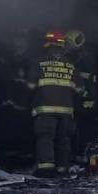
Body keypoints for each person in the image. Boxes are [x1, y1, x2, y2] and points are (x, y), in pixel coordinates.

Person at [28, 31, 79, 178]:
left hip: (45, 109)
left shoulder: (39, 63)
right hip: (66, 110)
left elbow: (31, 86)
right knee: (63, 139)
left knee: (45, 138)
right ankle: (62, 169)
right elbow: (80, 89)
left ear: (47, 45)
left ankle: (46, 169)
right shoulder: (71, 65)